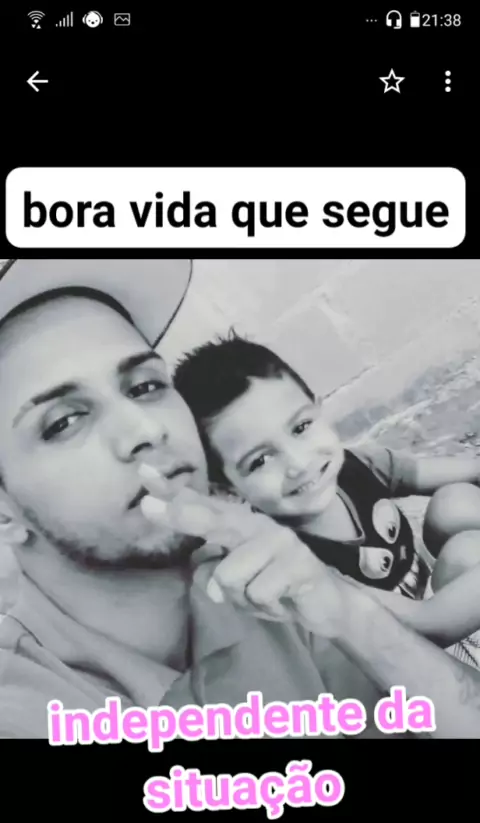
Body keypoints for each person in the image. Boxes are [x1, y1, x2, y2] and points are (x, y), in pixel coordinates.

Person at [0, 260, 480, 741]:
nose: (146, 430)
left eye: (145, 386)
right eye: (62, 422)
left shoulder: (264, 579)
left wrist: (351, 617)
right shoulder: (25, 703)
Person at [173, 332, 480, 655]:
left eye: (301, 427)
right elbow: (427, 624)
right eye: (260, 461)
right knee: (469, 551)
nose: (299, 463)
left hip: (432, 589)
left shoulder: (357, 465)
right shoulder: (290, 560)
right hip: (408, 648)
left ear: (317, 407)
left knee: (455, 503)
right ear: (228, 490)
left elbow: (459, 470)